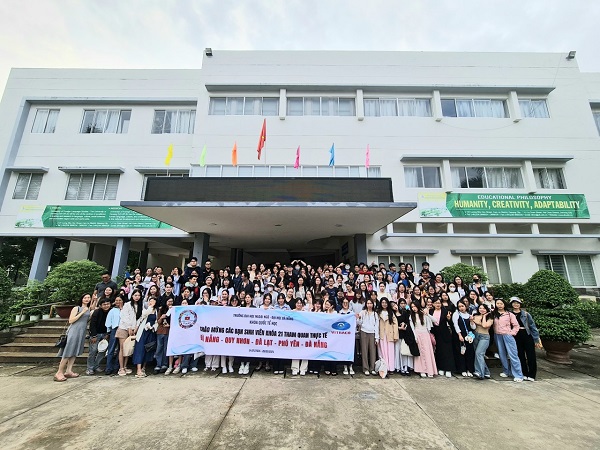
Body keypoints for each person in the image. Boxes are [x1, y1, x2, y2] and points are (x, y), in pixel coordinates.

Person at [54, 294, 92, 382]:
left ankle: (69, 370)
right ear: (81, 299)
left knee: (75, 351)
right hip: (74, 331)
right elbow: (71, 320)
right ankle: (59, 372)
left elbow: (85, 321)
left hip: (81, 332)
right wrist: (82, 312)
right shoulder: (77, 308)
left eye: (88, 298)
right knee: (68, 351)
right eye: (85, 298)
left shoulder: (88, 309)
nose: (87, 299)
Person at [511, 297, 542, 381]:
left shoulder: (526, 314)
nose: (516, 304)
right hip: (516, 336)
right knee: (520, 355)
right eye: (514, 303)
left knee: (531, 355)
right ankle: (524, 373)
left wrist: (536, 339)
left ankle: (532, 374)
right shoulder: (510, 314)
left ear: (520, 304)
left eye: (517, 303)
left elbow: (533, 327)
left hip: (526, 335)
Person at [493, 299, 524, 382]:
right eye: (497, 303)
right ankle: (506, 371)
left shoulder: (510, 314)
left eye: (501, 303)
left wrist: (511, 333)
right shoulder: (494, 314)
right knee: (502, 354)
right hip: (498, 335)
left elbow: (516, 325)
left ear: (504, 304)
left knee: (513, 354)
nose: (499, 305)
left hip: (507, 335)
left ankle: (518, 375)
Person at [117, 289, 143, 376]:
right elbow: (125, 316)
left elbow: (140, 318)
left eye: (138, 295)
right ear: (132, 296)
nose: (137, 297)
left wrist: (136, 327)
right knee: (122, 348)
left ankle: (125, 366)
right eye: (135, 295)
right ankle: (121, 368)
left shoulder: (140, 306)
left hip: (133, 329)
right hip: (124, 328)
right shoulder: (127, 305)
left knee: (128, 347)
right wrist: (129, 327)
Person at [409, 302, 437, 377]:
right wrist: (415, 337)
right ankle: (421, 370)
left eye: (415, 306)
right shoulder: (411, 316)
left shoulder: (423, 314)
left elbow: (435, 320)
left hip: (425, 335)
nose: (414, 308)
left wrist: (427, 314)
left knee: (427, 353)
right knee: (420, 354)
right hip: (418, 335)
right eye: (412, 307)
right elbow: (412, 328)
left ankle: (429, 370)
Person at [132, 297, 158, 378]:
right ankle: (138, 369)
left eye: (153, 301)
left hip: (151, 332)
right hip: (143, 331)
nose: (151, 302)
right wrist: (150, 307)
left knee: (148, 349)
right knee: (140, 349)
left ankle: (144, 368)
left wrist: (153, 327)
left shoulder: (156, 311)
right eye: (150, 301)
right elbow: (144, 315)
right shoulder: (145, 309)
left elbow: (157, 321)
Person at [430, 298, 455, 378]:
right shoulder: (430, 311)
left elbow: (451, 323)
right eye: (436, 303)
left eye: (439, 303)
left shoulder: (445, 311)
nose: (437, 304)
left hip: (444, 332)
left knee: (447, 351)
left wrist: (449, 319)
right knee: (439, 351)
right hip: (435, 333)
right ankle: (440, 367)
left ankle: (448, 369)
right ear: (433, 304)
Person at [86, 298, 111, 375]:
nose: (106, 306)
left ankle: (96, 366)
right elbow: (92, 324)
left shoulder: (111, 311)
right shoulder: (97, 312)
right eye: (104, 304)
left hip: (105, 334)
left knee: (102, 351)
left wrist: (107, 334)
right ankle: (90, 368)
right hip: (96, 334)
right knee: (93, 351)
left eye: (108, 304)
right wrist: (93, 336)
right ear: (100, 305)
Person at [452, 299, 476, 377]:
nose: (461, 308)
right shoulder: (456, 314)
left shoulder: (469, 315)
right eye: (459, 306)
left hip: (469, 336)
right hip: (460, 335)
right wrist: (459, 335)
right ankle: (462, 369)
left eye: (462, 306)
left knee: (470, 352)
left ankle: (470, 369)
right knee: (461, 352)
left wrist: (471, 321)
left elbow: (473, 327)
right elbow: (456, 325)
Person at [472, 304, 494, 380]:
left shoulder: (490, 317)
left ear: (487, 309)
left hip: (484, 337)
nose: (482, 310)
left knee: (479, 353)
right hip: (475, 335)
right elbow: (472, 324)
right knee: (478, 355)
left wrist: (484, 317)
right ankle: (486, 372)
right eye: (480, 308)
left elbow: (485, 325)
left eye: (484, 308)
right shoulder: (475, 315)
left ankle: (479, 373)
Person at [358, 298, 379, 375]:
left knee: (373, 351)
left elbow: (377, 326)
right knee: (364, 351)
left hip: (372, 333)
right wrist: (359, 318)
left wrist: (377, 337)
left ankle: (372, 368)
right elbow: (359, 323)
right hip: (364, 332)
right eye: (368, 303)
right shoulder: (363, 312)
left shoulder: (375, 314)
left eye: (371, 303)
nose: (369, 305)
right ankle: (365, 368)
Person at [377, 297, 398, 376]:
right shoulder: (378, 313)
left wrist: (395, 335)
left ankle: (391, 368)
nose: (384, 304)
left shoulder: (391, 313)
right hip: (382, 334)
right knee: (383, 352)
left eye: (385, 303)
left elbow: (395, 324)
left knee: (390, 352)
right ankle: (384, 368)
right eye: (383, 303)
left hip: (390, 334)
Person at [104, 295, 123, 375]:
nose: (118, 302)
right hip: (114, 330)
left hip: (123, 330)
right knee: (111, 349)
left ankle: (116, 367)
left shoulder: (125, 309)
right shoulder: (112, 310)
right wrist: (108, 331)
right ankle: (109, 368)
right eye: (116, 300)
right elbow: (108, 321)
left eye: (120, 300)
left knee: (120, 349)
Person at [155, 297, 173, 374]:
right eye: (169, 301)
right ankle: (158, 364)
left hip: (169, 331)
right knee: (159, 348)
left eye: (171, 301)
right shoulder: (161, 309)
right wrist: (162, 317)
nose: (170, 303)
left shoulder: (173, 310)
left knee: (166, 349)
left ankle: (164, 364)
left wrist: (170, 325)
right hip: (160, 331)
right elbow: (158, 322)